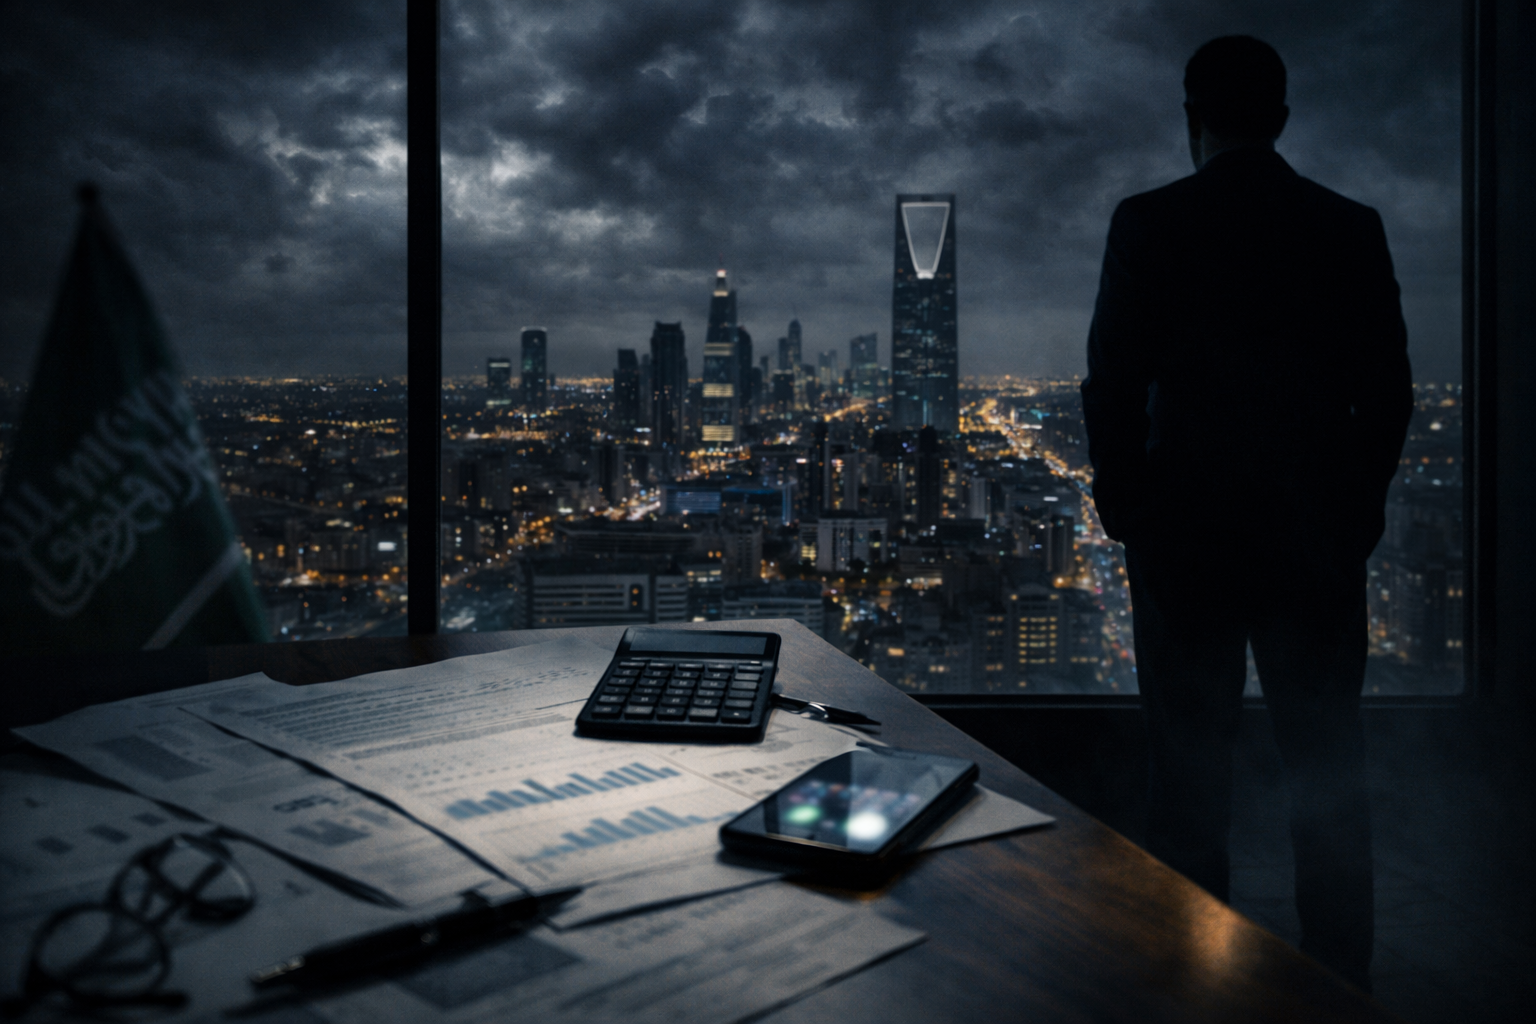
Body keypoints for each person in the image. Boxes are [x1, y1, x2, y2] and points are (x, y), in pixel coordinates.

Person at [1080, 35, 1413, 991]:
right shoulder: (1350, 227)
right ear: (1281, 118)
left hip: (1187, 545)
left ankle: (1190, 978)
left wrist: (1128, 508)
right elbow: (1386, 394)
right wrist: (1355, 515)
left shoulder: (1149, 224)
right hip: (1312, 545)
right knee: (1327, 773)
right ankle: (1340, 982)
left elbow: (1112, 383)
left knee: (1188, 780)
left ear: (1194, 119)